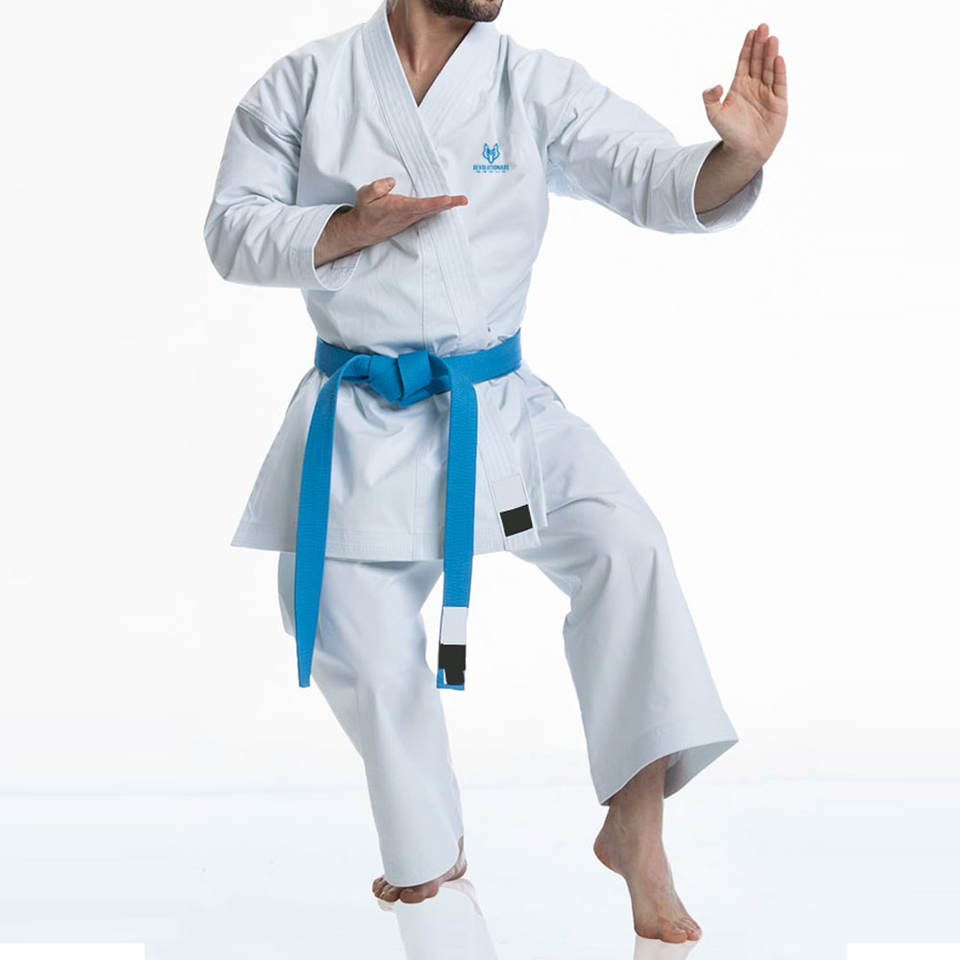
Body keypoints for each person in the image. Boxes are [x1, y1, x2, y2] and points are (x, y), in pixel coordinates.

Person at [202, 0, 787, 943]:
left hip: (497, 402)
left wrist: (737, 158)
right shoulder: (303, 85)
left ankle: (637, 832)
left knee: (625, 545)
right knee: (355, 637)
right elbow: (231, 232)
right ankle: (431, 865)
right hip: (361, 415)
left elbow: (653, 176)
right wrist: (349, 225)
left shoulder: (530, 83)